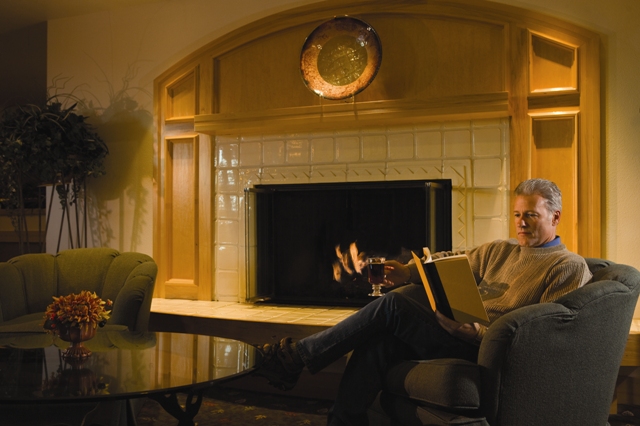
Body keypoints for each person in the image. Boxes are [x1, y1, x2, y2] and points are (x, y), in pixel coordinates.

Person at [253, 178, 592, 425]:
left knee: (395, 305)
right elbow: (447, 262)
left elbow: (550, 340)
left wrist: (474, 334)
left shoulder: (568, 267)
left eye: (530, 215)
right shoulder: (499, 250)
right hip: (456, 329)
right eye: (517, 214)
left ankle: (298, 357)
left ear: (555, 217)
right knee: (379, 342)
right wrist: (408, 272)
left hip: (488, 348)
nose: (520, 223)